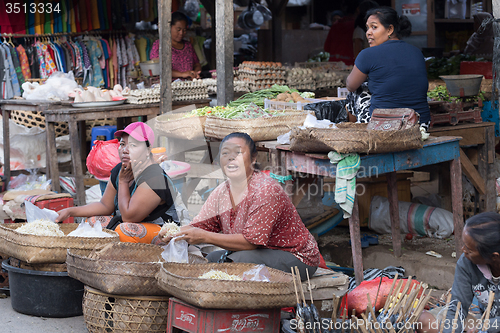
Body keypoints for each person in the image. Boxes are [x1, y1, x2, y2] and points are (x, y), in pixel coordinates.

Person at [159, 132, 320, 280]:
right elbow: (199, 226)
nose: (231, 158)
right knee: (210, 260)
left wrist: (202, 236)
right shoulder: (221, 193)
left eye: (238, 153)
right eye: (225, 154)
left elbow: (250, 243)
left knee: (238, 262)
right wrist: (176, 233)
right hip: (256, 253)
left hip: (296, 257)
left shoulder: (265, 190)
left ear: (254, 158)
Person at [56, 122, 175, 244]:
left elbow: (129, 217)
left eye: (133, 145)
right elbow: (105, 206)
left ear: (147, 150)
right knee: (92, 223)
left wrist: (123, 182)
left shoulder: (154, 177)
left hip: (162, 231)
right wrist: (70, 211)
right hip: (131, 224)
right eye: (122, 144)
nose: (125, 150)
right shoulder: (121, 169)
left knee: (124, 231)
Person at [346, 7, 431, 129]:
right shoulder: (417, 52)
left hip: (384, 126)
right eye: (367, 28)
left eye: (374, 27)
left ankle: (355, 131)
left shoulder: (367, 55)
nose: (368, 32)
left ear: (390, 29)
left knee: (356, 91)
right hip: (420, 125)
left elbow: (350, 85)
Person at [417, 212, 500, 333]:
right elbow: (457, 309)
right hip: (484, 323)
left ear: (494, 257)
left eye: (469, 250)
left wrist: (484, 327)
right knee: (425, 323)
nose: (463, 250)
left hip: (488, 325)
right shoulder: (467, 262)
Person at [150, 11, 201, 80]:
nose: (181, 33)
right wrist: (182, 74)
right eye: (178, 29)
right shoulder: (159, 45)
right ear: (169, 27)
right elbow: (158, 68)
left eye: (184, 30)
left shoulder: (188, 45)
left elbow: (197, 64)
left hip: (188, 86)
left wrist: (195, 73)